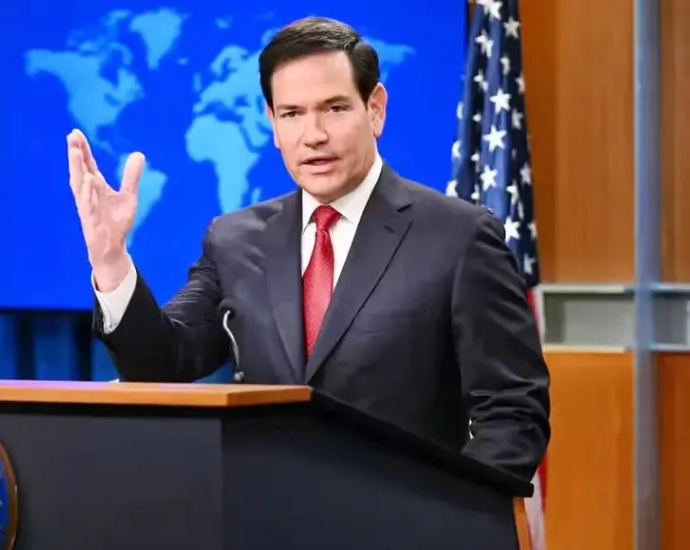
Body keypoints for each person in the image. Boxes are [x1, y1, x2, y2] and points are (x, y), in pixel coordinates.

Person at [66, 16, 549, 481]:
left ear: (375, 109)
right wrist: (110, 261)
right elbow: (163, 364)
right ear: (273, 124)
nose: (313, 135)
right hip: (266, 523)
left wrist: (452, 515)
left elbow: (513, 412)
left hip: (408, 525)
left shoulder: (459, 237)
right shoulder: (235, 239)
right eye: (292, 114)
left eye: (334, 109)